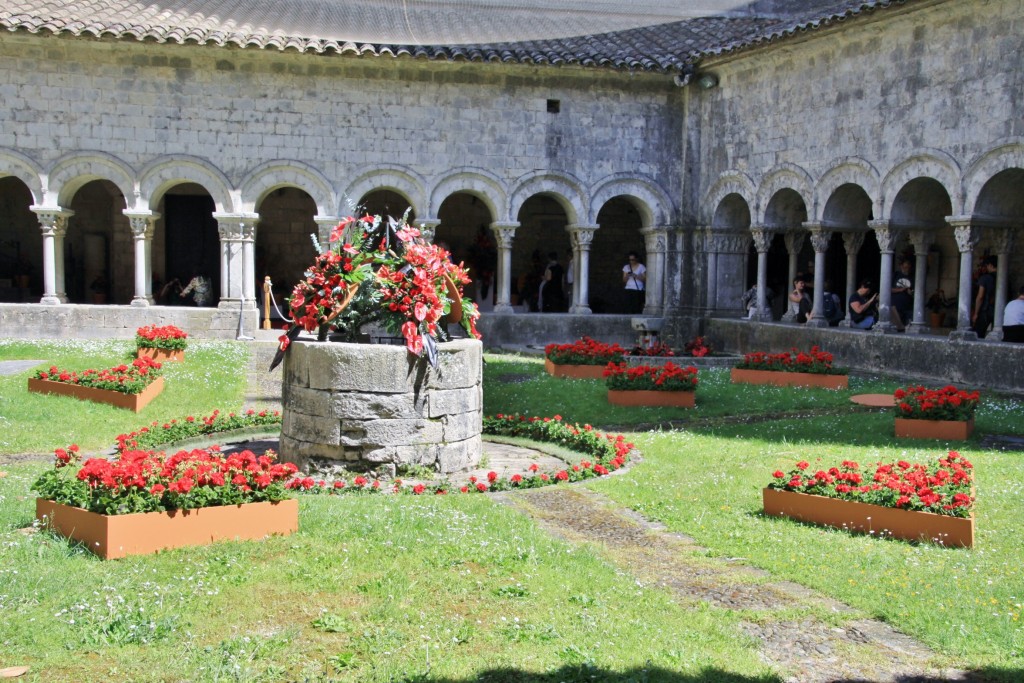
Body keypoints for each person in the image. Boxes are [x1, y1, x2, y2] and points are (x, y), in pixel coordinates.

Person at [972, 255, 997, 338]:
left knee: (977, 334)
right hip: (999, 311)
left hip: (986, 310)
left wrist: (976, 313)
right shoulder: (1005, 278)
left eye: (986, 266)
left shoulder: (985, 278)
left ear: (990, 265)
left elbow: (980, 296)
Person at [891, 258, 914, 331]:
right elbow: (887, 289)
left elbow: (914, 291)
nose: (907, 269)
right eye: (905, 267)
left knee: (908, 328)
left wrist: (911, 293)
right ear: (901, 266)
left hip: (908, 307)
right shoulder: (895, 275)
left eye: (908, 268)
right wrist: (901, 289)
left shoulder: (912, 277)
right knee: (897, 327)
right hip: (896, 306)